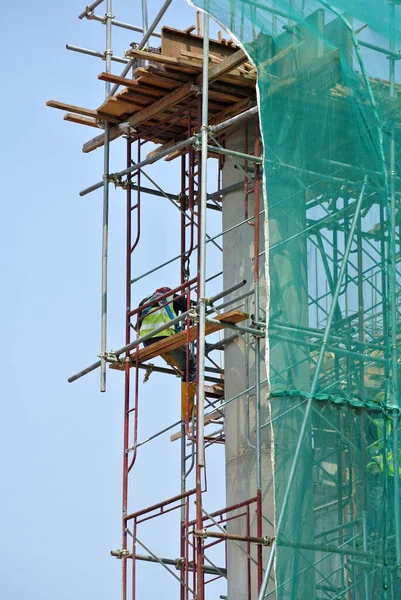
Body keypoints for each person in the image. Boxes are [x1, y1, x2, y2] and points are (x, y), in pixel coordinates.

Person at [137, 287, 196, 418]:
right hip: (165, 337)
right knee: (190, 365)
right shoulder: (170, 296)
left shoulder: (144, 302)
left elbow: (137, 326)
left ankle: (188, 406)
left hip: (146, 341)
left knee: (178, 358)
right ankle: (188, 410)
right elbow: (193, 306)